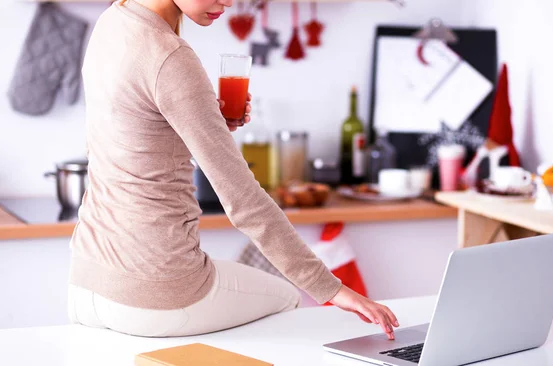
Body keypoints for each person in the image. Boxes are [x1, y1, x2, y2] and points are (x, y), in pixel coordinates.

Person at [67, 0, 399, 339]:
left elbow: (129, 138)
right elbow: (244, 200)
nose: (228, 1)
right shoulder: (170, 55)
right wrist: (331, 289)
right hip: (156, 295)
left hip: (86, 283)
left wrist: (208, 122)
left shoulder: (112, 21)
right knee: (286, 296)